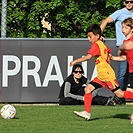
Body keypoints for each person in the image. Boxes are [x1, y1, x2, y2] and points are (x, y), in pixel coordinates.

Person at [69, 24, 133, 120]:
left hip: (107, 75)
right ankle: (87, 112)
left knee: (119, 94)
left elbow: (88, 57)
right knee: (88, 89)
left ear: (97, 36)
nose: (88, 39)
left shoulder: (96, 45)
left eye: (90, 36)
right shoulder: (101, 44)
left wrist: (75, 61)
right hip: (101, 75)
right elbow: (107, 53)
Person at [100, 0, 133, 91]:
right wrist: (98, 35)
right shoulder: (119, 13)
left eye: (131, 1)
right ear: (124, 3)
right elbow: (106, 21)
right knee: (122, 73)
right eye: (127, 2)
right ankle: (119, 96)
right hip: (123, 46)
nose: (129, 3)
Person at [111, 17, 133, 92]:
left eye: (126, 28)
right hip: (131, 70)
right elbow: (123, 58)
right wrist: (112, 57)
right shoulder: (124, 42)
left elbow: (129, 45)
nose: (123, 29)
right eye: (122, 27)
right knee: (129, 90)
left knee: (129, 90)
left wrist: (120, 48)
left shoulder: (130, 41)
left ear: (132, 29)